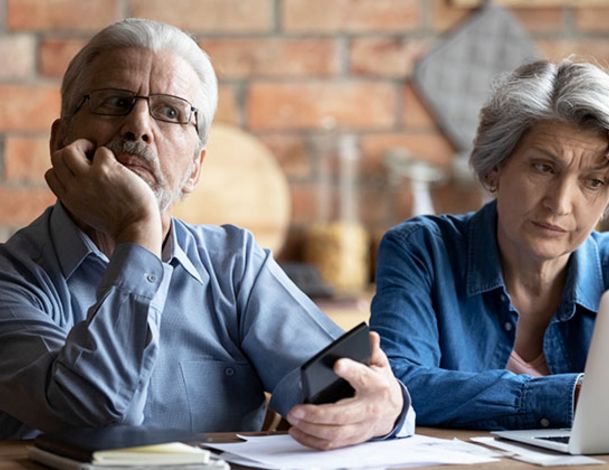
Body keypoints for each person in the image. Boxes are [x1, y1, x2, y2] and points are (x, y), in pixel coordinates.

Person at [0, 18, 413, 448]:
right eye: (115, 102)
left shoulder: (234, 266)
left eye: (170, 112)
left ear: (195, 168)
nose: (138, 126)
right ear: (60, 139)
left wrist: (387, 407)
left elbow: (351, 386)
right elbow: (95, 417)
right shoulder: (11, 277)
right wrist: (137, 232)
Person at [369, 59, 609, 430]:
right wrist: (573, 396)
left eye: (593, 182)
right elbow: (396, 385)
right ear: (495, 168)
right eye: (543, 168)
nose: (560, 204)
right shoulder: (422, 251)